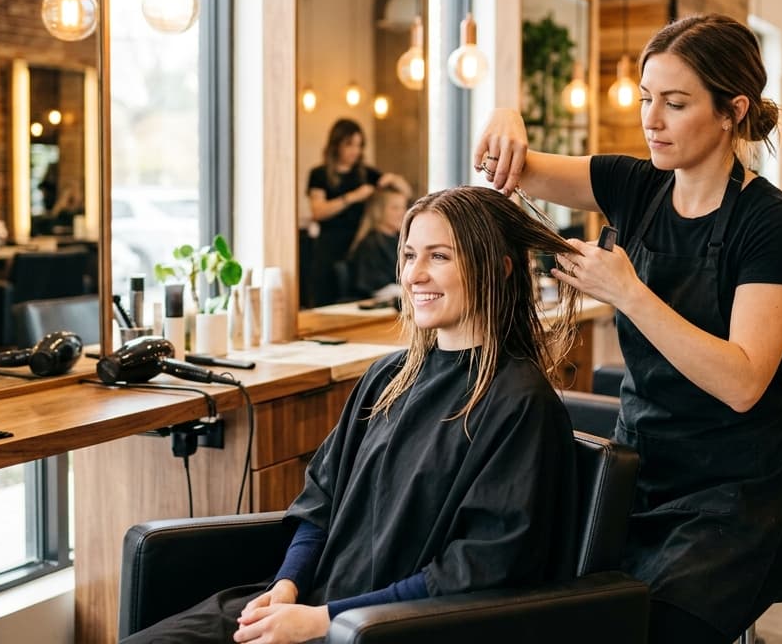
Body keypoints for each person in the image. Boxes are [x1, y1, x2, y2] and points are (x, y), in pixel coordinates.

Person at [475, 13, 782, 644]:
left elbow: (741, 381)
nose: (651, 120)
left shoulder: (771, 223)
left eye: (676, 103)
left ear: (731, 111)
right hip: (639, 467)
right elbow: (508, 165)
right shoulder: (634, 186)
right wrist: (504, 114)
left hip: (735, 493)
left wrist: (628, 293)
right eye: (645, 99)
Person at [123, 186, 582, 644]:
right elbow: (320, 501)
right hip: (308, 605)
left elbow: (479, 569)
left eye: (439, 257)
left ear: (499, 270)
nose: (414, 275)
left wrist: (325, 620)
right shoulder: (388, 379)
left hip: (389, 628)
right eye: (408, 255)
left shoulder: (520, 403)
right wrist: (287, 587)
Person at [306, 119, 411, 305]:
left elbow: (404, 190)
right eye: (350, 144)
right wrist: (353, 196)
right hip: (329, 247)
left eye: (359, 145)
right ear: (336, 145)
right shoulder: (319, 175)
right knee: (326, 299)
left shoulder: (365, 173)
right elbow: (318, 212)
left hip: (358, 241)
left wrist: (393, 179)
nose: (355, 150)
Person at [345, 186, 408, 299]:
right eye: (395, 208)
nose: (402, 213)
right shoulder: (370, 245)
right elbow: (374, 287)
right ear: (378, 210)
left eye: (403, 207)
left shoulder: (402, 241)